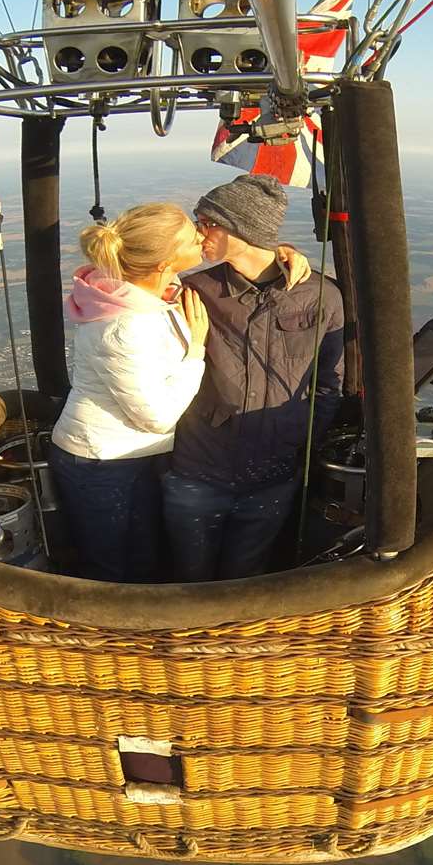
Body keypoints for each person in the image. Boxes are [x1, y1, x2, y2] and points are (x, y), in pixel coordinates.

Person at [163, 174, 345, 582]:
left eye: (207, 221)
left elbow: (328, 385)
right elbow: (131, 277)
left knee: (247, 581)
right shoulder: (195, 289)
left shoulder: (321, 297)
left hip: (273, 478)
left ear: (240, 229)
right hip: (197, 471)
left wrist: (295, 434)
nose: (199, 231)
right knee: (188, 582)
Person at [47, 203, 210, 582]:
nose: (200, 237)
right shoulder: (125, 325)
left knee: (142, 557)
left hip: (123, 455)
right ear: (163, 262)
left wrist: (283, 254)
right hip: (99, 461)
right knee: (112, 569)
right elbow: (156, 417)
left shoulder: (132, 293)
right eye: (190, 237)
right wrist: (196, 352)